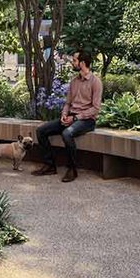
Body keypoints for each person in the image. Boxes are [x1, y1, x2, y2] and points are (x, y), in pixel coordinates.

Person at [33, 51, 102, 183]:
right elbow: (68, 103)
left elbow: (95, 108)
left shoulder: (96, 82)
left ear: (82, 63)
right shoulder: (74, 81)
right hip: (70, 117)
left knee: (67, 134)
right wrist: (64, 114)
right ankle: (50, 166)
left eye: (74, 60)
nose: (72, 62)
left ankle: (72, 169)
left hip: (87, 120)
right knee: (41, 131)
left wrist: (75, 118)